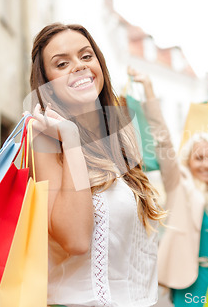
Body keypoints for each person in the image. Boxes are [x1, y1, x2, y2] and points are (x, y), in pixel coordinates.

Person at [28, 23, 166, 307]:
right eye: (62, 63)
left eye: (86, 56)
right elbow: (76, 240)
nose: (78, 66)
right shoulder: (46, 140)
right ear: (47, 86)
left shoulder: (119, 137)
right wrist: (71, 139)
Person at [127, 67, 208, 307]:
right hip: (191, 285)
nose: (206, 164)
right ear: (189, 161)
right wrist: (149, 91)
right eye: (199, 157)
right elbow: (163, 142)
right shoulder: (180, 187)